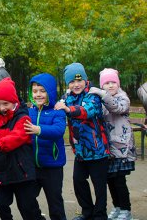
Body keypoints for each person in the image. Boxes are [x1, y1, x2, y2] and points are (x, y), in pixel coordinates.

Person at [54, 63, 110, 220]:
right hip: (80, 151)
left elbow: (86, 111)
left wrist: (67, 109)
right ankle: (87, 211)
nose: (76, 84)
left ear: (85, 80)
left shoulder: (92, 95)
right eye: (72, 82)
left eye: (79, 80)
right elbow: (55, 106)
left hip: (98, 150)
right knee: (78, 181)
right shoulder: (67, 97)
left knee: (99, 185)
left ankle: (100, 214)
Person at [0, 78, 39, 220]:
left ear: (14, 102)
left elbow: (16, 137)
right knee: (0, 203)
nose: (2, 108)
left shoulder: (23, 118)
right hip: (3, 172)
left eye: (5, 103)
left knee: (27, 207)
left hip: (22, 172)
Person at [89, 68, 136, 220]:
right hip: (107, 147)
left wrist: (104, 95)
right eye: (106, 83)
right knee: (109, 179)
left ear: (118, 84)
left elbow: (117, 108)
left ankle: (126, 209)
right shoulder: (102, 100)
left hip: (121, 147)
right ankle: (117, 207)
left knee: (119, 180)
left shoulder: (123, 97)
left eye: (113, 82)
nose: (110, 86)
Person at [24, 73, 67, 220]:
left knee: (55, 204)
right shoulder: (29, 111)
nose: (38, 95)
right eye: (35, 91)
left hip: (52, 166)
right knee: (27, 201)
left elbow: (59, 130)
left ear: (50, 92)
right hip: (33, 166)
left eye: (42, 91)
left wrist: (39, 129)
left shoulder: (57, 111)